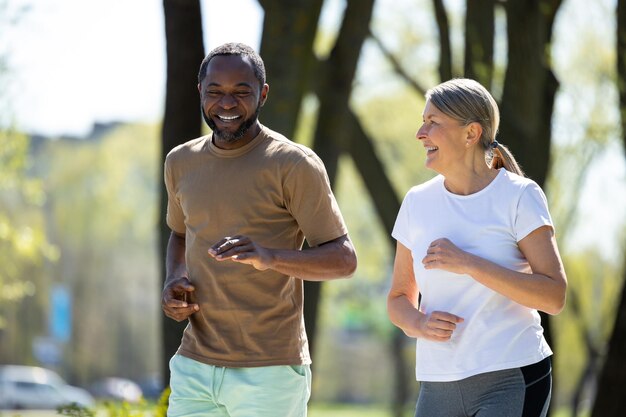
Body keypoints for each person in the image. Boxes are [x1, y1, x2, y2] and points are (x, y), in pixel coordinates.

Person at [161, 42, 357, 417]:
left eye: (241, 92)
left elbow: (344, 259)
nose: (227, 104)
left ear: (262, 94)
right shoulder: (181, 161)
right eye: (215, 91)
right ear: (199, 91)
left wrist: (270, 257)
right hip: (194, 364)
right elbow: (181, 233)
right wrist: (174, 278)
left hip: (270, 371)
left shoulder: (293, 164)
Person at [387, 78, 567, 417]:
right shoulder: (417, 202)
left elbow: (554, 296)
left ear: (471, 134)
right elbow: (399, 299)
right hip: (437, 383)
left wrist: (470, 263)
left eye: (433, 122)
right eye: (423, 121)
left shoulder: (519, 196)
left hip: (511, 377)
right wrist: (419, 324)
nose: (420, 133)